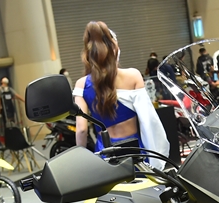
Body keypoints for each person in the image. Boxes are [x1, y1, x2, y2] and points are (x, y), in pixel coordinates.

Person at [72, 21, 169, 167]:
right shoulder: (133, 76)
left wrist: (80, 163)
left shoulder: (81, 85)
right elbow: (149, 121)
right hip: (135, 153)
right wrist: (157, 160)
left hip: (105, 155)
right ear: (114, 49)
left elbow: (81, 130)